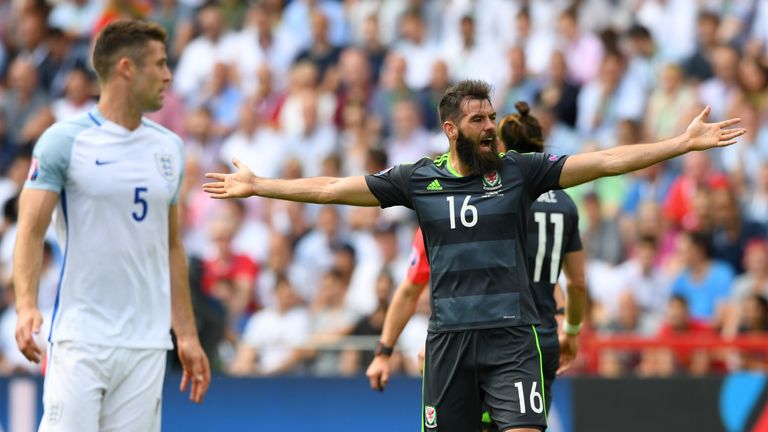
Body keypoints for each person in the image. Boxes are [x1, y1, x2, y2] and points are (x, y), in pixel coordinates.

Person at [203, 79, 743, 432]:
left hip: (514, 335)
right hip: (449, 342)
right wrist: (261, 185)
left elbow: (602, 161)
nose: (491, 127)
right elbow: (331, 189)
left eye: (492, 116)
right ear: (451, 129)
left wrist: (680, 144)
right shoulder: (419, 179)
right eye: (480, 120)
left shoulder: (519, 171)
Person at [13, 20, 210, 431]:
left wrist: (186, 334)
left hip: (147, 344)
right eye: (159, 64)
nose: (168, 75)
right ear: (126, 68)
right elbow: (30, 231)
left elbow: (171, 245)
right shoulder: (63, 141)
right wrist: (27, 304)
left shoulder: (169, 148)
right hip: (81, 339)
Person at [363, 101, 586, 431]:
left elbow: (411, 287)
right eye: (481, 121)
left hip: (496, 335)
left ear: (506, 148)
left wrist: (387, 349)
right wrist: (569, 327)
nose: (489, 132)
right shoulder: (562, 204)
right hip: (539, 334)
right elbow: (569, 282)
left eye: (492, 123)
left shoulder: (452, 210)